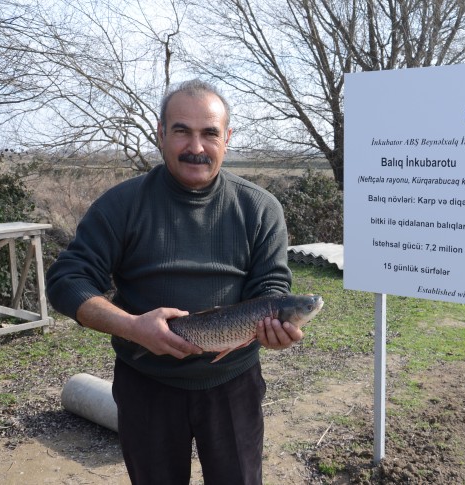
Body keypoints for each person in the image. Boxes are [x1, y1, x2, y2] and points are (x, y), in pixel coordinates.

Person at [46, 79, 302, 484]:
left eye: (209, 133)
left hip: (232, 382)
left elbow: (270, 286)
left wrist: (272, 327)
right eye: (182, 130)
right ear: (161, 134)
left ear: (227, 138)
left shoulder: (259, 207)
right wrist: (131, 326)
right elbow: (66, 279)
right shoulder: (122, 204)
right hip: (146, 383)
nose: (196, 147)